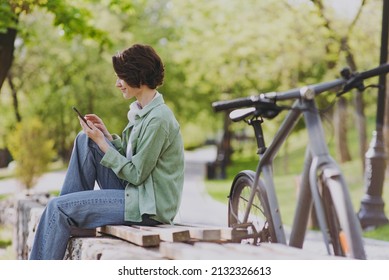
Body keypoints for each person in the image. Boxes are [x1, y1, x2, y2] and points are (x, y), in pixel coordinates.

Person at [29, 44, 185, 260]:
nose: (117, 83)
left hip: (147, 206)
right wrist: (107, 137)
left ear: (137, 76)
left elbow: (136, 174)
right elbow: (132, 159)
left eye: (121, 77)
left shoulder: (158, 119)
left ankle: (66, 216)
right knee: (86, 140)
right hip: (134, 193)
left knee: (58, 208)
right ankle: (72, 214)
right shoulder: (143, 112)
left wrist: (103, 143)